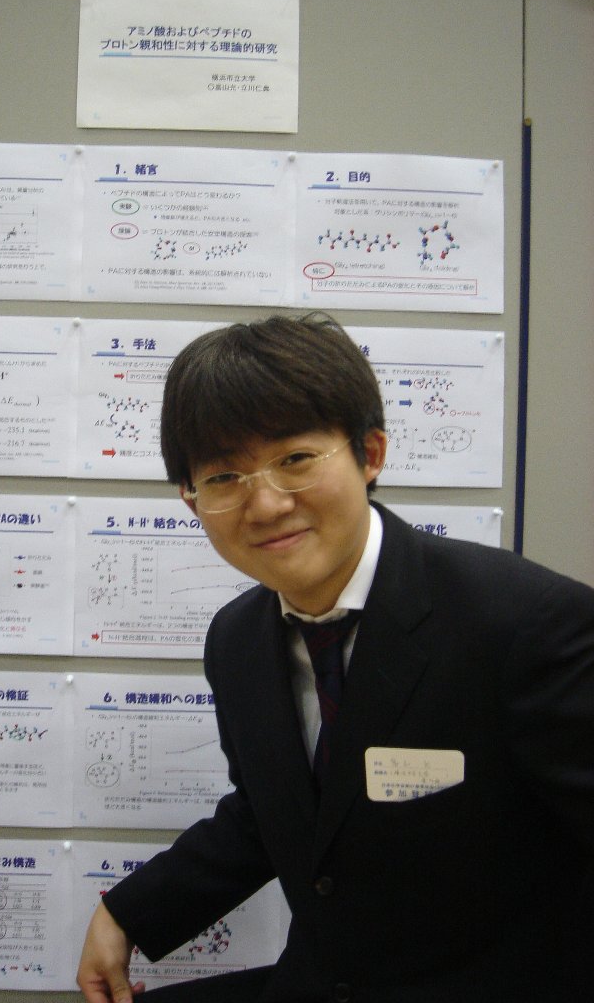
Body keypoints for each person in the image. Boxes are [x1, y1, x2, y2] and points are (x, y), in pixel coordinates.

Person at [77, 314, 594, 1003]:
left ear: (370, 453)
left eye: (295, 459)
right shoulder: (236, 641)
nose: (265, 505)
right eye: (225, 475)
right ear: (191, 499)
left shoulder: (526, 623)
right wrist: (127, 913)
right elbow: (280, 812)